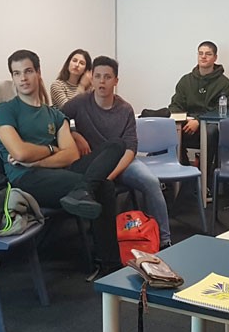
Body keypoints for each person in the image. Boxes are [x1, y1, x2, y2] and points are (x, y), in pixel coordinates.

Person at [0, 49, 125, 277]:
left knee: (117, 145)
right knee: (104, 185)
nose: (23, 78)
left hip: (50, 171)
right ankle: (110, 266)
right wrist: (53, 150)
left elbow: (71, 155)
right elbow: (20, 153)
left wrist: (39, 160)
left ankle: (83, 189)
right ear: (13, 77)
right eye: (16, 73)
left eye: (28, 71)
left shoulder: (53, 114)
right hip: (25, 179)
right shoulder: (6, 110)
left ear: (38, 73)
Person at [63, 56, 171, 247]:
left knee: (151, 182)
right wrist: (75, 134)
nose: (102, 81)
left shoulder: (125, 109)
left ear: (116, 81)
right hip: (94, 162)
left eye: (107, 77)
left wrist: (109, 176)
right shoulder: (80, 102)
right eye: (97, 76)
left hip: (123, 162)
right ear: (92, 78)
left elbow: (130, 148)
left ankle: (164, 240)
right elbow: (58, 118)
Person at [168, 40, 229, 172]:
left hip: (210, 128)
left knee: (210, 131)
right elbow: (175, 105)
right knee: (168, 129)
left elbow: (221, 111)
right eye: (201, 53)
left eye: (208, 54)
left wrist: (198, 121)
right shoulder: (185, 81)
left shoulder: (224, 83)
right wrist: (187, 120)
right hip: (186, 125)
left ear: (215, 58)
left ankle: (204, 176)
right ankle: (185, 172)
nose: (203, 57)